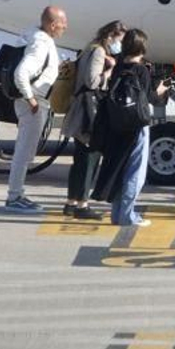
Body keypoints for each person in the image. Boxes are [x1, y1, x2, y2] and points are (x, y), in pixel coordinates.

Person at [90, 28, 171, 227]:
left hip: (117, 124)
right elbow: (149, 98)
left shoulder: (118, 67)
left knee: (120, 168)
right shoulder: (141, 70)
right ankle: (128, 215)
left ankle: (117, 213)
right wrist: (160, 89)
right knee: (135, 172)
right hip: (137, 124)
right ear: (142, 47)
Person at [5, 6, 67, 213]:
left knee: (26, 151)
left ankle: (17, 194)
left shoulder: (35, 35)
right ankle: (14, 197)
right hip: (34, 104)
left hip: (36, 102)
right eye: (62, 23)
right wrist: (30, 99)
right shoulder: (40, 44)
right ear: (52, 24)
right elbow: (21, 73)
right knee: (24, 152)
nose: (65, 27)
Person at [62, 19, 125, 220]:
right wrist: (109, 71)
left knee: (79, 159)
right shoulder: (98, 52)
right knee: (89, 158)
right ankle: (83, 205)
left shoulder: (89, 47)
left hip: (80, 109)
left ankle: (71, 202)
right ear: (111, 36)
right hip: (89, 112)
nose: (119, 44)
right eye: (119, 39)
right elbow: (92, 81)